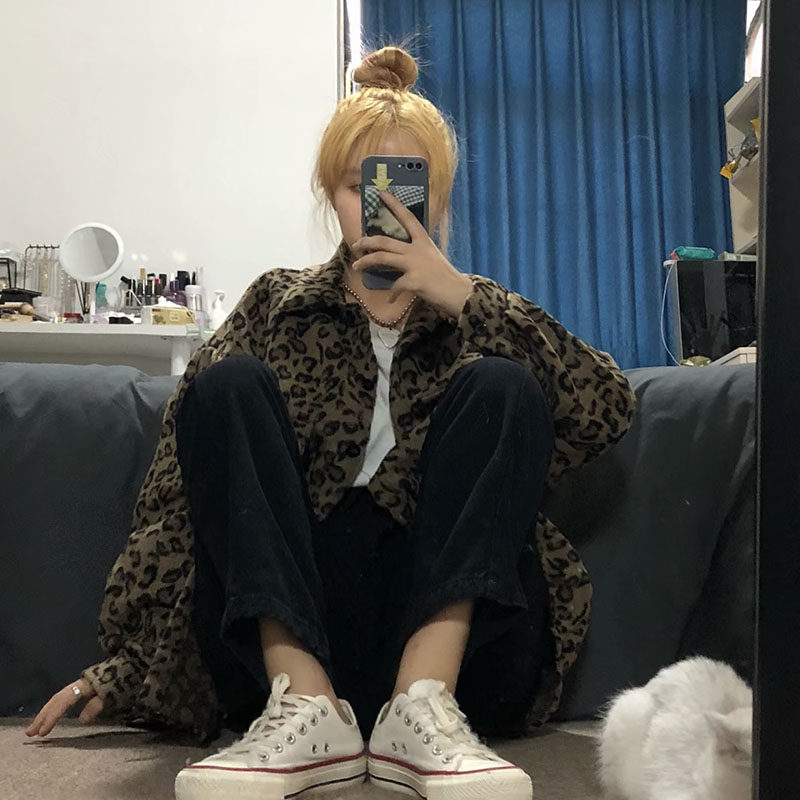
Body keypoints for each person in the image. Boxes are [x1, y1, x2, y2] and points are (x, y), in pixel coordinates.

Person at [25, 46, 636, 800]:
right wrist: (128, 667)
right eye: (360, 186)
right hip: (292, 634)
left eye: (408, 187)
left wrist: (463, 296)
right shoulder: (275, 307)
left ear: (439, 197)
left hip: (463, 647)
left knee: (502, 384)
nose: (386, 208)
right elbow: (182, 500)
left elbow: (607, 409)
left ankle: (423, 705)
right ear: (331, 193)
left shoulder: (479, 313)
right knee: (225, 386)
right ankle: (307, 705)